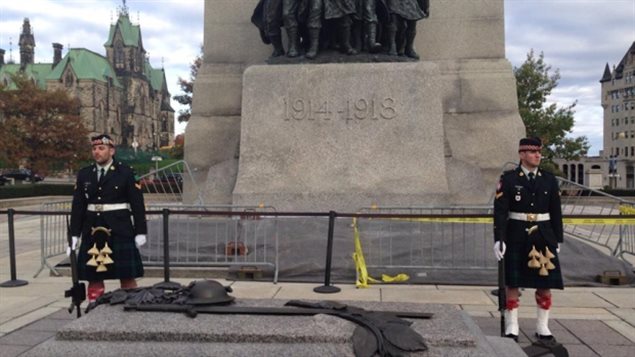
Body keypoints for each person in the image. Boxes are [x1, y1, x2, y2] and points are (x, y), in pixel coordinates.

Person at [493, 137, 564, 342]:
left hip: (543, 235)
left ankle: (543, 326)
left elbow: (556, 212)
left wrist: (557, 238)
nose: (537, 155)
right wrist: (499, 239)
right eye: (533, 152)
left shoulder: (549, 180)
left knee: (544, 282)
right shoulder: (508, 179)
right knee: (513, 283)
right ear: (522, 154)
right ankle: (512, 325)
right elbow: (500, 212)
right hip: (516, 234)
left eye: (539, 152)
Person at [68, 134, 147, 304]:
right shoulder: (84, 174)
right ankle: (94, 309)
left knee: (127, 277)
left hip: (120, 229)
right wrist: (73, 236)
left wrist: (141, 231)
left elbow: (138, 205)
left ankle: (131, 307)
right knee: (94, 276)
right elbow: (78, 207)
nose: (97, 152)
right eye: (94, 148)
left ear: (112, 151)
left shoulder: (125, 172)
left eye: (101, 148)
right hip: (92, 230)